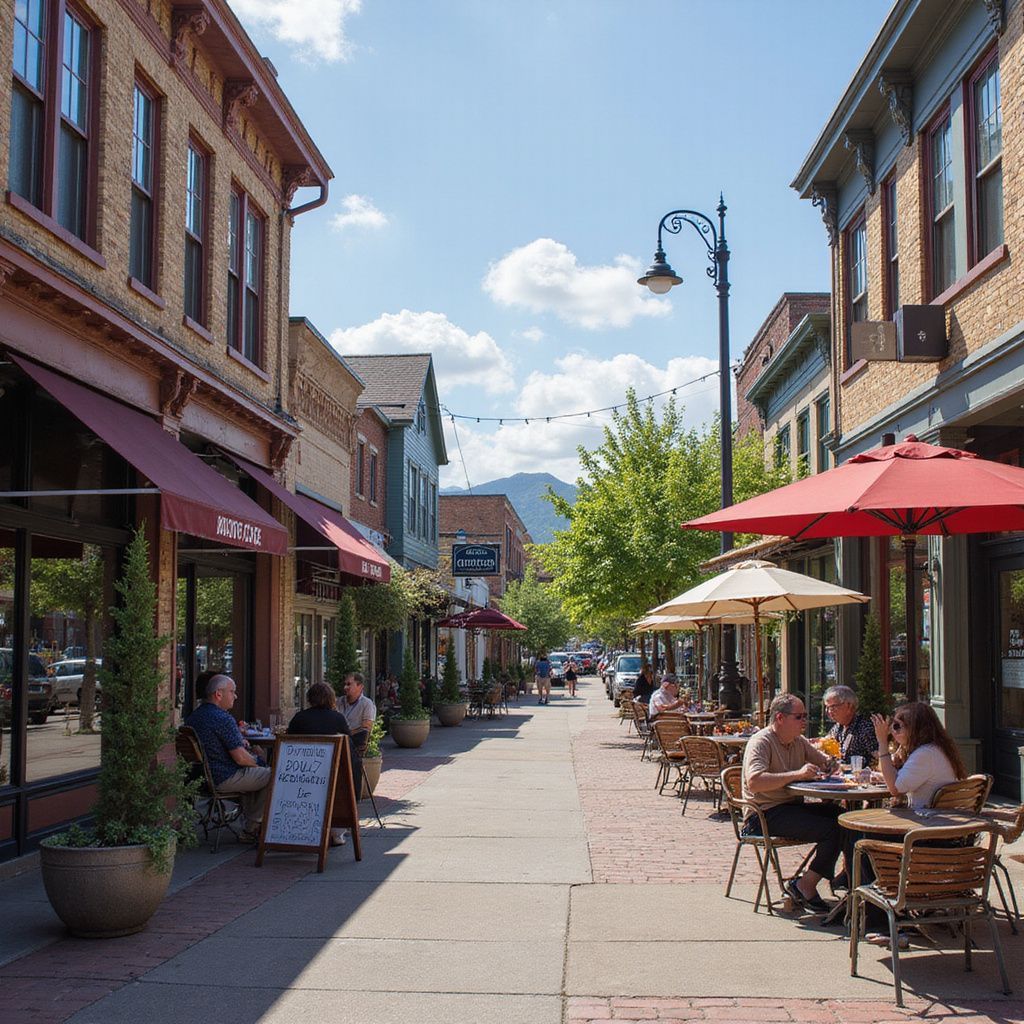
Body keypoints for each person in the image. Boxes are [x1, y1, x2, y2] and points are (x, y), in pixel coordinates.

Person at [740, 692, 841, 913]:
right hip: (764, 815)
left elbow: (823, 762)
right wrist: (797, 774)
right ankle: (804, 885)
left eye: (805, 716)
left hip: (791, 807)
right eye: (799, 717)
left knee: (843, 817)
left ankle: (851, 884)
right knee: (833, 829)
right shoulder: (761, 742)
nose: (805, 721)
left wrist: (830, 764)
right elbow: (755, 781)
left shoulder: (798, 741)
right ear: (780, 718)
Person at [185, 673, 270, 843]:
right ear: (219, 694)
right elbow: (241, 759)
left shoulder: (194, 717)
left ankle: (250, 824)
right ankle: (252, 827)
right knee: (274, 775)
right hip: (223, 776)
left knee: (256, 774)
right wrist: (259, 760)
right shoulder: (223, 718)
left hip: (200, 778)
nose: (236, 696)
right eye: (232, 692)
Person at [289, 682, 362, 846]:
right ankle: (337, 831)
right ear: (331, 699)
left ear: (310, 698)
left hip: (301, 776)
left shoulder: (299, 718)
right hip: (333, 773)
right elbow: (348, 744)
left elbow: (289, 745)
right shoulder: (337, 718)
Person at [871, 701, 965, 809]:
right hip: (936, 816)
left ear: (914, 728)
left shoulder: (925, 754)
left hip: (928, 819)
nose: (892, 730)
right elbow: (888, 775)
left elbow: (895, 789)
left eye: (896, 725)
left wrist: (882, 741)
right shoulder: (936, 749)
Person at [823, 684, 877, 764]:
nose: (829, 711)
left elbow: (877, 759)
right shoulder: (838, 727)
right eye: (827, 707)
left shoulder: (865, 727)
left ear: (849, 706)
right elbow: (826, 744)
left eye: (833, 707)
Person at [338, 671, 377, 752]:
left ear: (360, 686)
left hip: (355, 746)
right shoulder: (339, 701)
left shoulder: (367, 704)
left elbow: (366, 729)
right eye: (345, 684)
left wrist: (344, 734)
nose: (345, 687)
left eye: (349, 684)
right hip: (338, 743)